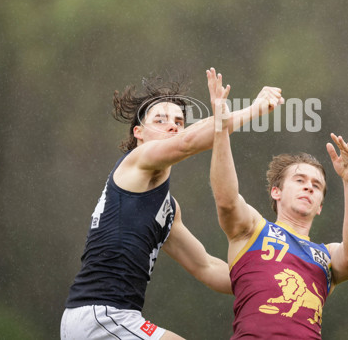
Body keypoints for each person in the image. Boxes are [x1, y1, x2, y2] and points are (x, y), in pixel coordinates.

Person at [61, 68, 283, 340]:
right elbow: (187, 142)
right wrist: (254, 109)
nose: (173, 126)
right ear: (138, 132)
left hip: (109, 319)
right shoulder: (137, 162)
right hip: (101, 315)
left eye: (179, 121)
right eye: (161, 119)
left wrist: (268, 279)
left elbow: (207, 267)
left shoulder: (168, 210)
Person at [208, 73, 348, 339]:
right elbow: (226, 199)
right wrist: (221, 129)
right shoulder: (253, 231)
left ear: (319, 206)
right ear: (276, 192)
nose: (309, 187)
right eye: (300, 180)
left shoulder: (325, 256)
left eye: (316, 186)